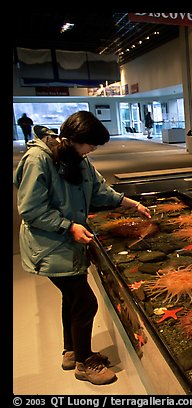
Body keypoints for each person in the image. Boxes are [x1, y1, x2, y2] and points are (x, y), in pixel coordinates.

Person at [13, 110, 151, 386]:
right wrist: (68, 226)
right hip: (49, 245)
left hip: (68, 245)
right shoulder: (39, 159)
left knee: (72, 299)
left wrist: (131, 204)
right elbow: (30, 209)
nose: (92, 151)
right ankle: (84, 363)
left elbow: (99, 191)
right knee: (86, 302)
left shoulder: (79, 159)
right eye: (91, 145)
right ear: (75, 139)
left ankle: (71, 351)